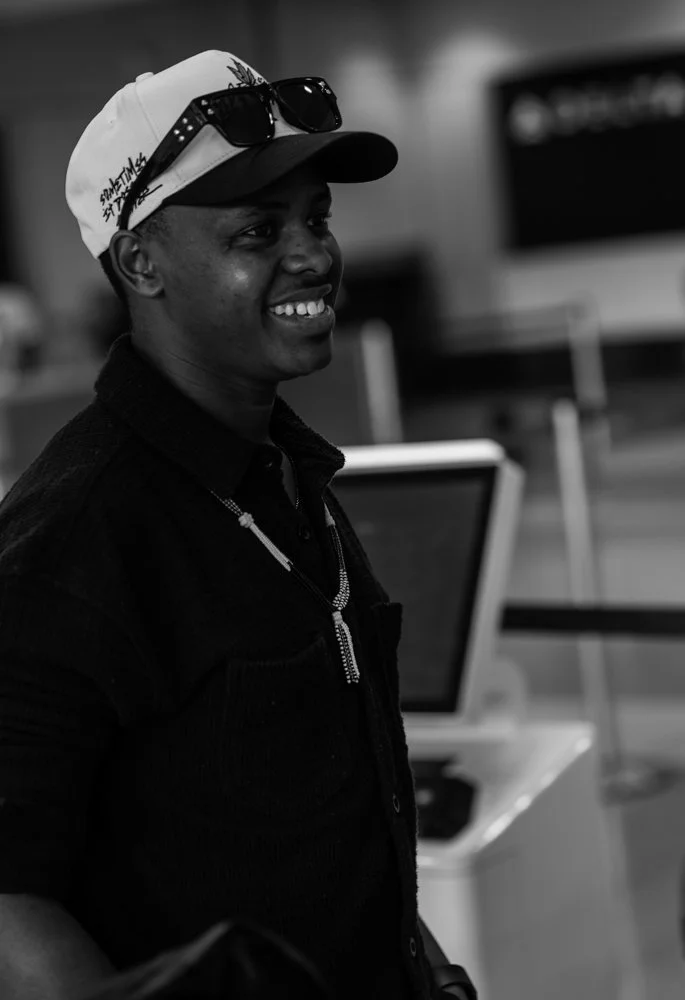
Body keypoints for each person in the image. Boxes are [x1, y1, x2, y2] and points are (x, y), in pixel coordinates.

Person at [0, 50, 476, 1000]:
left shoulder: (284, 476)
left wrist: (429, 970)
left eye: (316, 218)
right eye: (259, 229)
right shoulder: (73, 540)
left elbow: (324, 811)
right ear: (140, 263)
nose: (314, 255)